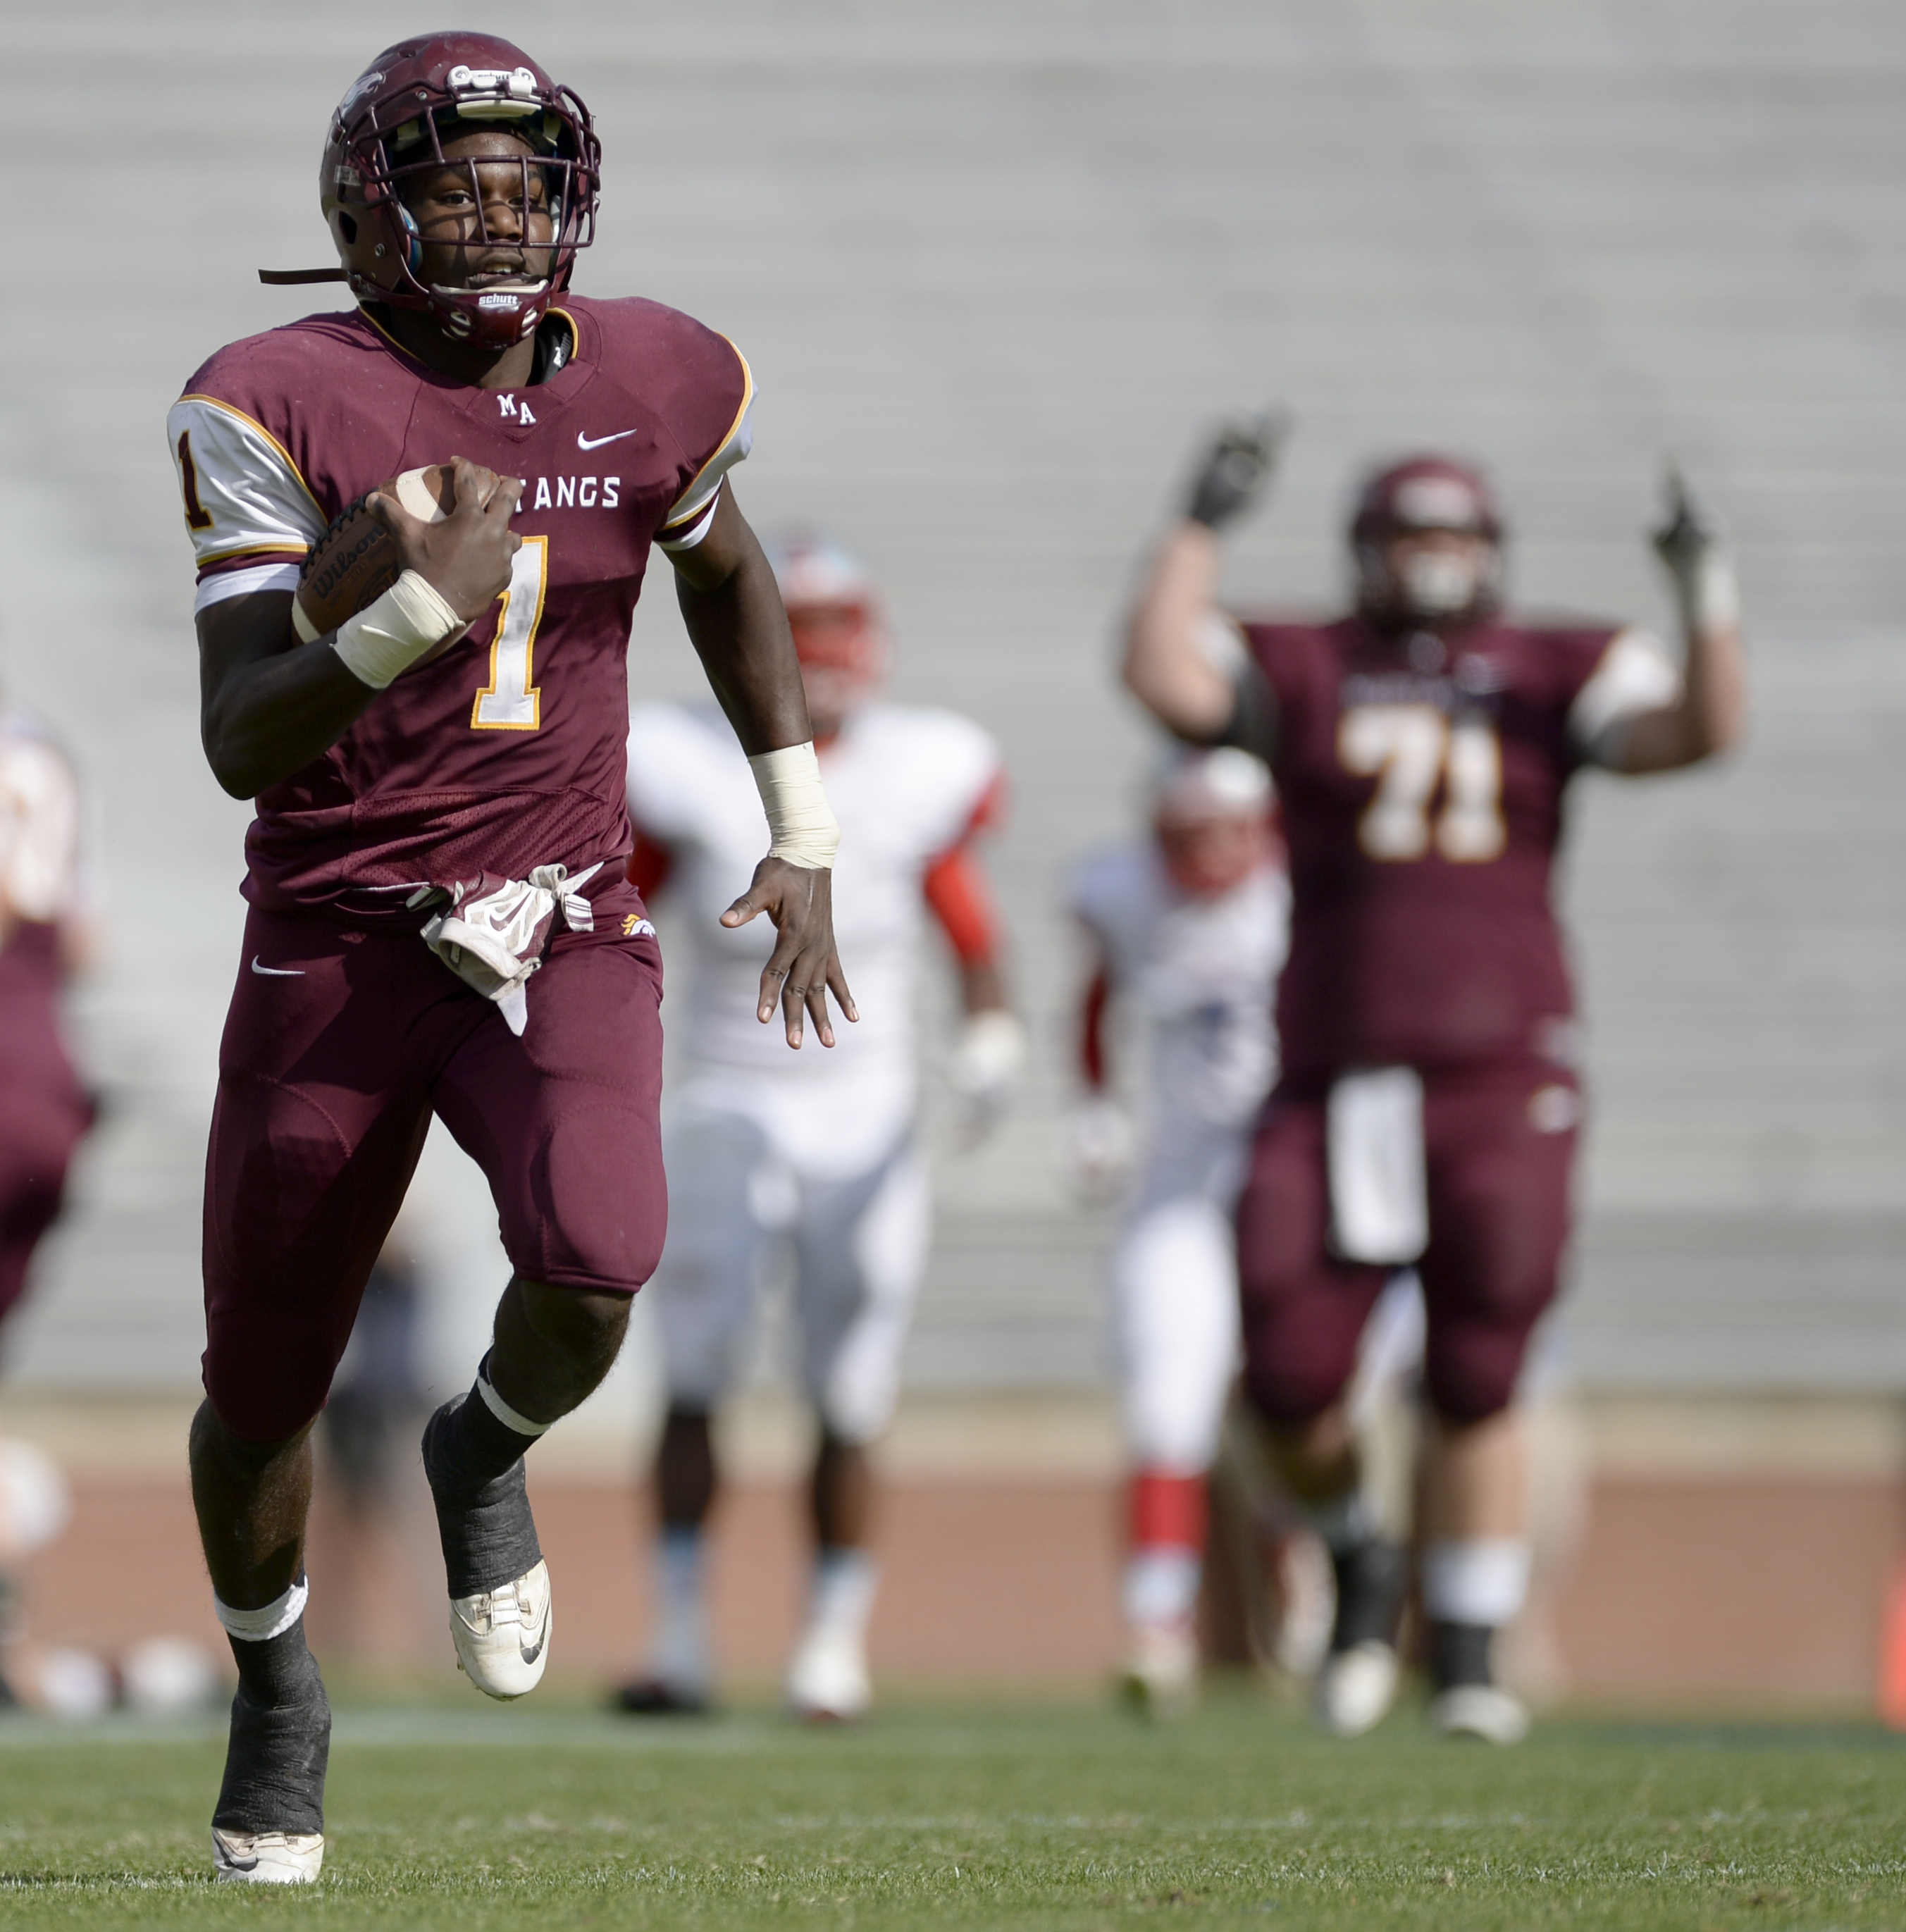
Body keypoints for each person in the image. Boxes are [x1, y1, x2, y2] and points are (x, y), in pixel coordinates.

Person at [166, 35, 849, 1883]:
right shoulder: (272, 396)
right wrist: (403, 612)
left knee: (602, 1254)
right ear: (368, 206)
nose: (495, 209)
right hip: (337, 932)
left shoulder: (658, 372)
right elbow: (242, 734)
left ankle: (486, 1447)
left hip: (557, 912)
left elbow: (721, 567)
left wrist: (803, 826)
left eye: (521, 177)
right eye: (454, 177)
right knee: (262, 1381)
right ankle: (275, 1679)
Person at [1122, 423, 1746, 1743]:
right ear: (1365, 551)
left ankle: (1465, 1651)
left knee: (1480, 1363)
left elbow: (1697, 730)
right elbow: (1162, 675)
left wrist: (1705, 593)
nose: (1433, 561)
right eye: (1411, 537)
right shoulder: (1309, 659)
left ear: (1493, 551)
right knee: (1285, 1367)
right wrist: (1195, 524)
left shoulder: (1548, 664)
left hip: (1500, 1069)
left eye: (1453, 537)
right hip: (1331, 1069)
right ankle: (1361, 1552)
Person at [616, 534, 1020, 1721]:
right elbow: (619, 909)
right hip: (722, 1096)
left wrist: (990, 1030)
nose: (825, 650)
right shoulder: (684, 758)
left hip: (865, 1107)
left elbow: (961, 914)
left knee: (849, 1388)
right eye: (803, 622)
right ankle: (679, 1637)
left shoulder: (919, 762)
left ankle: (831, 1644)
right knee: (692, 1377)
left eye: (841, 622)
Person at [1065, 745, 1289, 1716]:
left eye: (1227, 831)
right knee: (1165, 1399)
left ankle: (1308, 1608)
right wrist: (1094, 1102)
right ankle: (1157, 1626)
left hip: (1294, 1169)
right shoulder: (1125, 894)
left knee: (1310, 1396)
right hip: (1180, 1176)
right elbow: (1098, 992)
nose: (1208, 853)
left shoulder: (1302, 892)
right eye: (1188, 832)